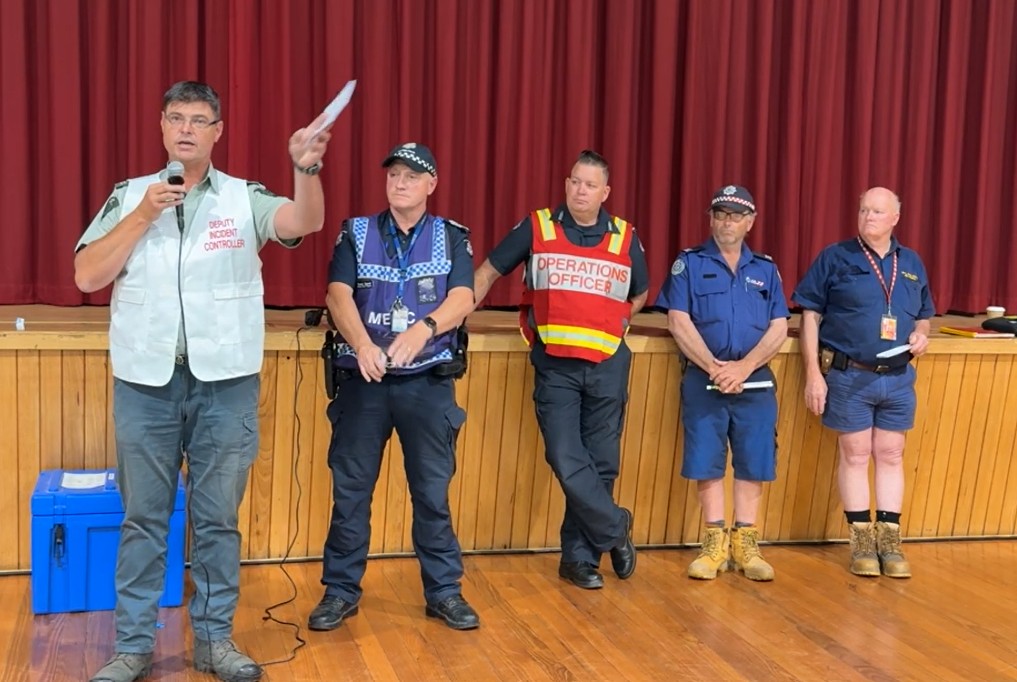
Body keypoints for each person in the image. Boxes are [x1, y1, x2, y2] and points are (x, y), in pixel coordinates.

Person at [75, 81, 332, 682]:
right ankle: (133, 647)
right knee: (143, 520)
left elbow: (304, 221)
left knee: (217, 520)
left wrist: (306, 170)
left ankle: (216, 642)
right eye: (176, 118)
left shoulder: (245, 197)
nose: (186, 128)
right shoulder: (130, 195)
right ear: (162, 128)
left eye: (199, 119)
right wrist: (143, 215)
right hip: (146, 384)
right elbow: (87, 275)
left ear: (218, 132)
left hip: (225, 385)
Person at [308, 143, 479, 633]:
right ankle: (340, 592)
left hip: (427, 382)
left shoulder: (451, 236)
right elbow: (337, 293)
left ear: (431, 184)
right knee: (351, 493)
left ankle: (444, 592)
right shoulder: (356, 232)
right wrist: (362, 343)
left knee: (431, 494)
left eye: (411, 176)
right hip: (364, 381)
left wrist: (425, 328)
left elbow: (463, 296)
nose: (400, 183)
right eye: (393, 175)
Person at [473, 149, 645, 590]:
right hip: (556, 365)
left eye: (590, 185)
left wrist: (617, 323)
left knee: (601, 464)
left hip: (607, 363)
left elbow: (640, 293)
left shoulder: (625, 236)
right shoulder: (538, 227)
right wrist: (451, 313)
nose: (580, 191)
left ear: (605, 192)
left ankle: (578, 559)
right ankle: (615, 527)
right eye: (575, 181)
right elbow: (489, 271)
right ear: (566, 184)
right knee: (566, 459)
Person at [793, 187, 933, 579]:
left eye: (877, 211)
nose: (868, 217)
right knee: (855, 454)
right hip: (849, 374)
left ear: (895, 218)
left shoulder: (911, 262)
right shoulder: (835, 256)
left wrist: (922, 334)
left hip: (898, 377)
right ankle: (861, 543)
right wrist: (813, 374)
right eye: (863, 210)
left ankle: (889, 541)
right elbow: (809, 316)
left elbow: (924, 314)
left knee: (891, 453)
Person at [656, 185, 789, 581]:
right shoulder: (689, 264)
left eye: (735, 215)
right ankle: (714, 545)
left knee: (754, 460)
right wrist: (715, 368)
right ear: (711, 219)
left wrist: (744, 367)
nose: (727, 222)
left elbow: (779, 326)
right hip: (705, 378)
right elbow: (678, 320)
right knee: (706, 459)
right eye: (720, 214)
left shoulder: (765, 270)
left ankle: (746, 544)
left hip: (754, 382)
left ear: (750, 222)